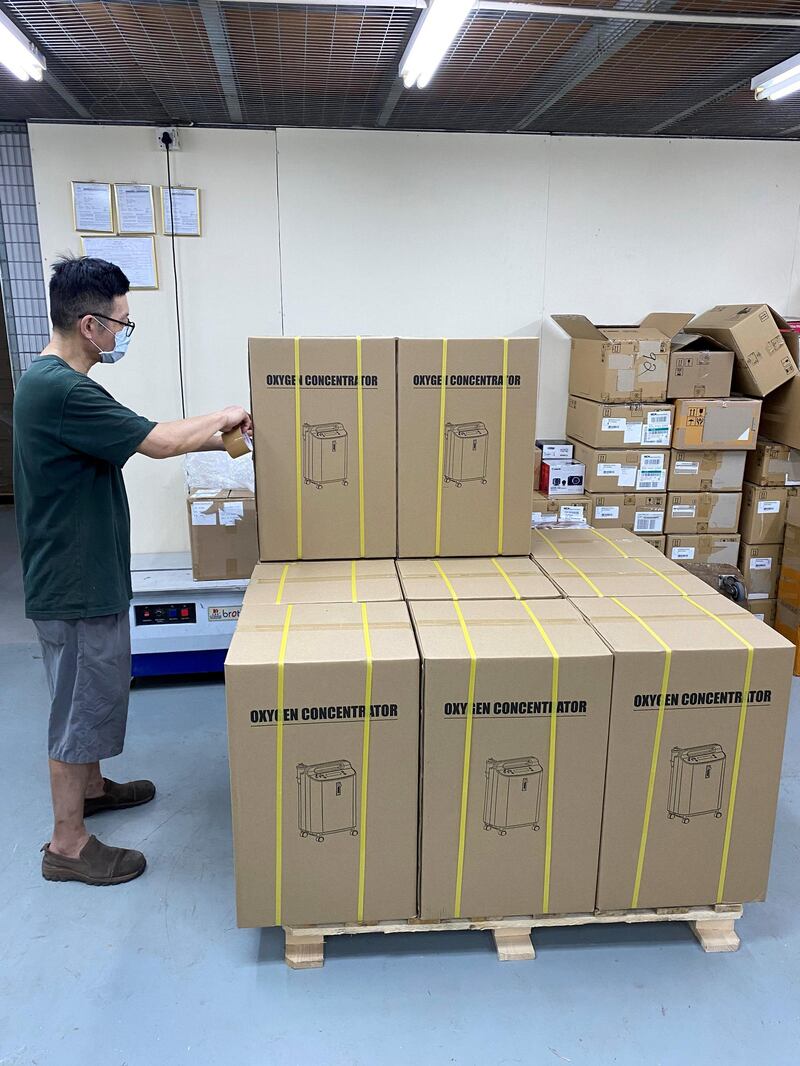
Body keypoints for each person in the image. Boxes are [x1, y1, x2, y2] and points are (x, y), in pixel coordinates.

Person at [13, 255, 252, 886]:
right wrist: (222, 415)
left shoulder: (55, 384)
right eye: (122, 323)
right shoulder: (63, 389)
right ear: (90, 324)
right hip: (74, 580)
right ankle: (67, 844)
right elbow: (158, 442)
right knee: (76, 705)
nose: (123, 334)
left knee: (93, 693)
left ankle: (91, 789)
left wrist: (224, 434)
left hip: (81, 570)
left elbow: (142, 437)